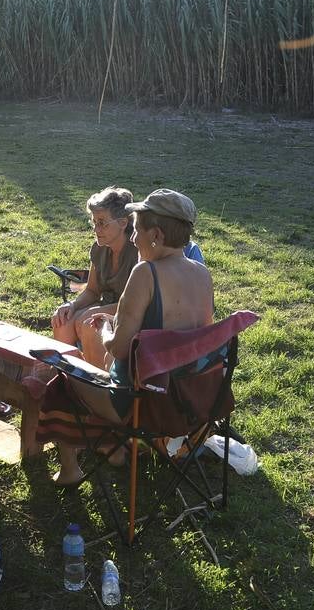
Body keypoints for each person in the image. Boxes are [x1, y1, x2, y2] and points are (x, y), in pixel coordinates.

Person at [35, 189, 214, 486]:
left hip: (142, 404)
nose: (133, 238)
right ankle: (112, 448)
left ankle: (76, 468)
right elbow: (194, 337)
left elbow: (117, 349)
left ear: (155, 235)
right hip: (189, 399)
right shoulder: (202, 273)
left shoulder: (146, 273)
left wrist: (105, 328)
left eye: (138, 230)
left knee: (63, 380)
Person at [50, 187, 136, 369]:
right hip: (106, 305)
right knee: (62, 321)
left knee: (90, 323)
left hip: (132, 313)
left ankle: (98, 383)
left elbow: (136, 304)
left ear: (123, 222)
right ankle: (68, 378)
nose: (96, 229)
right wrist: (71, 305)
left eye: (102, 223)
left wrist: (93, 312)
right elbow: (92, 290)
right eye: (94, 222)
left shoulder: (137, 251)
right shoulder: (100, 248)